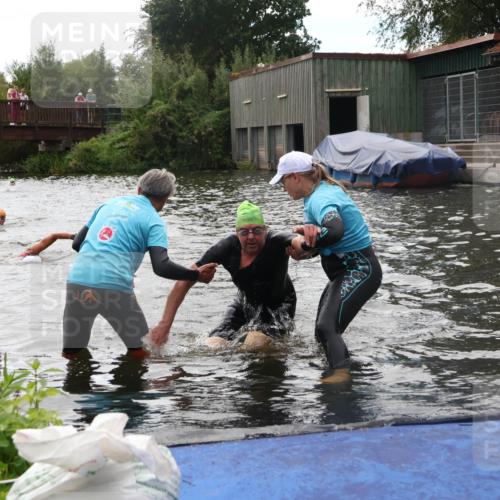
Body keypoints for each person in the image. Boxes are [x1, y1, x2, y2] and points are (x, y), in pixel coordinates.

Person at [63, 168, 217, 359]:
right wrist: (196, 275)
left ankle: (74, 385)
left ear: (139, 188)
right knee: (143, 352)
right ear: (166, 197)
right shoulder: (154, 221)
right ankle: (133, 385)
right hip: (114, 287)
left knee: (73, 352)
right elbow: (161, 266)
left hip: (77, 281)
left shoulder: (108, 204)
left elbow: (77, 243)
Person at [270, 151, 382, 384]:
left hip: (360, 269)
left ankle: (341, 374)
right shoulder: (315, 197)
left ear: (295, 177)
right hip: (344, 272)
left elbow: (335, 230)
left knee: (326, 326)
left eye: (283, 181)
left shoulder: (322, 198)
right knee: (321, 333)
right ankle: (340, 365)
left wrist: (309, 242)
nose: (283, 187)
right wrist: (306, 251)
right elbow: (329, 242)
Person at [147, 200, 302, 351]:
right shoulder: (227, 247)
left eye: (257, 231)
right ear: (236, 232)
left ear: (265, 230)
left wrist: (304, 249)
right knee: (212, 346)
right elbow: (184, 282)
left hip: (279, 306)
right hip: (245, 303)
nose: (250, 237)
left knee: (254, 344)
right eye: (244, 232)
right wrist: (165, 324)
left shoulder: (276, 241)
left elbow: (299, 242)